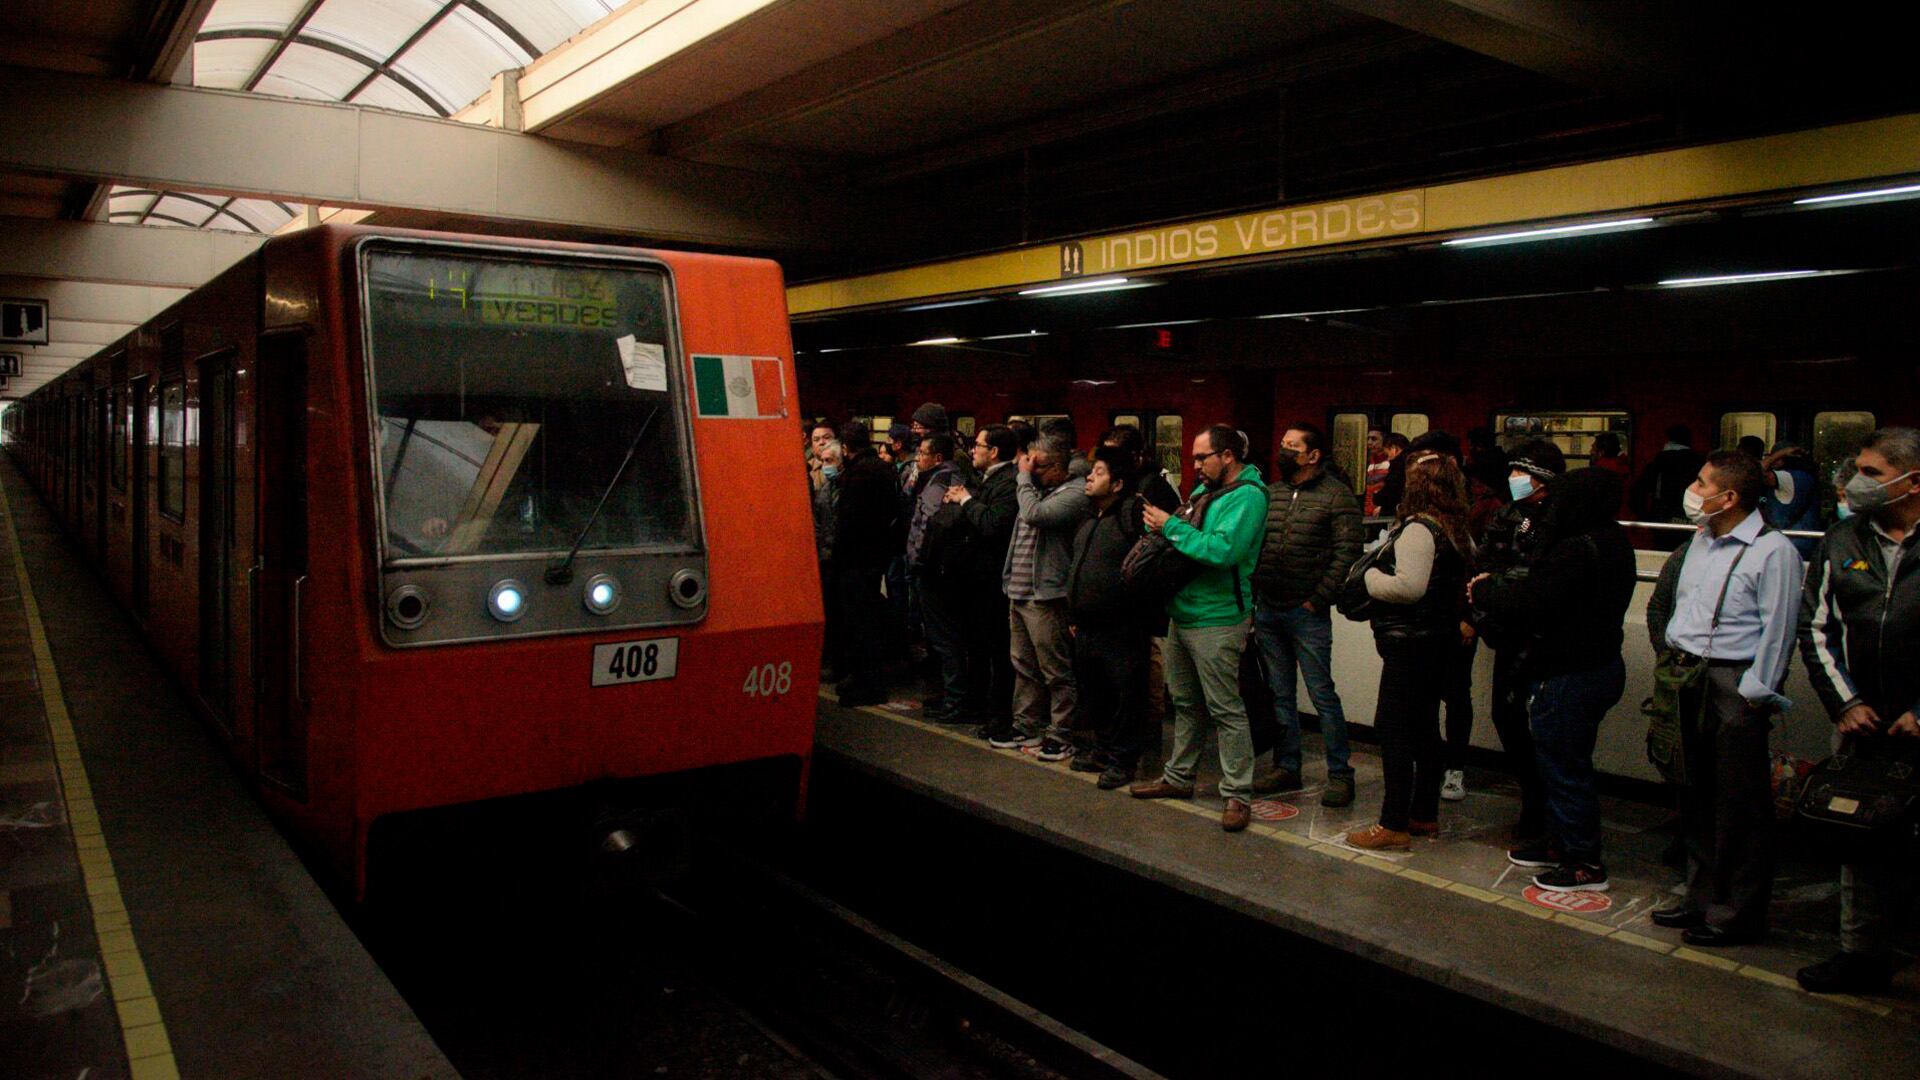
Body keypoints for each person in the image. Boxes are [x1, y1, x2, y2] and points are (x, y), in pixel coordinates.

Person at [1643, 450, 1803, 946]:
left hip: (1733, 683)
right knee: (1693, 793)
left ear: (1728, 497)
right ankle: (1699, 895)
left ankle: (1736, 912)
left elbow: (1779, 630)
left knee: (1739, 804)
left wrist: (1754, 694)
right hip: (1686, 676)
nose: (1693, 491)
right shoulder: (1699, 542)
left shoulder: (1772, 552)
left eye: (1701, 483)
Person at [1469, 468, 1636, 891]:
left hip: (1568, 670)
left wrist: (1486, 592)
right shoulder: (1614, 539)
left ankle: (1583, 861)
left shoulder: (1575, 548)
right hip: (1599, 665)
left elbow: (1537, 602)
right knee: (1564, 761)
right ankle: (1560, 842)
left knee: (1564, 767)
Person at [1795, 427, 1920, 993]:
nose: (1855, 483)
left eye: (1871, 473)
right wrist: (1845, 704)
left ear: (1912, 481)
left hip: (1917, 721)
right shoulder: (1842, 539)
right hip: (1862, 721)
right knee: (1859, 842)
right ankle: (1860, 954)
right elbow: (1815, 626)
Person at [1130, 425, 1270, 833]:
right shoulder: (1201, 492)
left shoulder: (1248, 497)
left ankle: (1237, 794)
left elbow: (1223, 550)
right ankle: (1178, 777)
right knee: (1187, 704)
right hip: (1184, 611)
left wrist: (1168, 527)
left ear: (1227, 456)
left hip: (1218, 616)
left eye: (1200, 457)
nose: (1194, 465)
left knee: (1225, 709)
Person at [1346, 451, 1473, 852]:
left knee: (1394, 729)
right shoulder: (1456, 529)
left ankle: (1393, 822)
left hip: (1411, 645)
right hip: (1440, 640)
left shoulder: (1420, 529)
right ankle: (1423, 814)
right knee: (1425, 731)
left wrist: (1368, 577)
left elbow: (1408, 587)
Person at [1249, 422, 1365, 808]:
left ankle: (1340, 774)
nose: (1283, 451)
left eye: (1292, 446)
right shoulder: (1273, 492)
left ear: (1313, 455)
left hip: (1306, 612)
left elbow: (1346, 554)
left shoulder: (1337, 497)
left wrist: (1317, 599)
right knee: (1280, 694)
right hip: (1269, 607)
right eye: (1282, 444)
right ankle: (1287, 765)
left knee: (1321, 694)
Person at [1470, 439, 1565, 840]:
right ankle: (1532, 795)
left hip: (1547, 641)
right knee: (1506, 716)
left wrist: (1501, 585)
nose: (1513, 480)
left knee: (1550, 728)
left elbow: (1539, 581)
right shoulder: (1508, 515)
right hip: (1508, 636)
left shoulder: (1561, 519)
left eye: (1520, 472)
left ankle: (1551, 811)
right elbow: (1484, 568)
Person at [989, 435, 1092, 759]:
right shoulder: (1036, 489)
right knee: (1024, 666)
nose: (1031, 472)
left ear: (1059, 467)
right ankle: (1027, 726)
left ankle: (1061, 733)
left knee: (1055, 669)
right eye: (1028, 464)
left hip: (1046, 595)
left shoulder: (1073, 492)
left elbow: (1036, 515)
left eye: (1038, 466)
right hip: (1019, 591)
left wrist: (1022, 477)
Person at [1066, 446, 1156, 788]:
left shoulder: (1132, 513)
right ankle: (1103, 749)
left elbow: (1150, 563)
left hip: (1122, 626)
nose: (1089, 477)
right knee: (1096, 693)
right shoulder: (1090, 517)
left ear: (1117, 483)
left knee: (1125, 696)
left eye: (1099, 472)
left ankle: (1124, 759)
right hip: (1086, 625)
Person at [946, 424, 1022, 737]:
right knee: (975, 645)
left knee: (996, 650)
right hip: (975, 579)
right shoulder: (985, 480)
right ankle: (974, 704)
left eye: (978, 445)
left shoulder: (1008, 483)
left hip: (993, 582)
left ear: (993, 452)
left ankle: (997, 715)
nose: (973, 449)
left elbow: (993, 525)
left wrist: (965, 502)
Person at [830, 421, 905, 707]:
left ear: (846, 448)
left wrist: (837, 558)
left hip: (855, 559)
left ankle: (867, 683)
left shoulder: (857, 475)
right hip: (878, 555)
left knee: (859, 623)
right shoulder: (885, 470)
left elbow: (848, 524)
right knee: (869, 618)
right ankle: (867, 678)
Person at [904, 435, 966, 721]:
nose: (918, 457)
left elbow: (926, 529)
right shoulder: (950, 477)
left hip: (933, 573)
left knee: (944, 639)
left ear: (937, 457)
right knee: (944, 639)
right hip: (942, 572)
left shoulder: (939, 483)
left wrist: (917, 562)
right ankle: (950, 696)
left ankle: (954, 700)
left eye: (923, 453)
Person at [1632, 424, 1704, 524]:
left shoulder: (1657, 463)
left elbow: (1638, 493)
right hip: (1691, 515)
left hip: (1662, 515)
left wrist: (1645, 517)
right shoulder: (1700, 464)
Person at [1759, 440, 1822, 555]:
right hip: (1806, 542)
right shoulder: (1807, 477)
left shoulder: (1786, 477)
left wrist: (1781, 453)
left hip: (1790, 542)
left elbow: (1756, 472)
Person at [1101, 424, 1180, 512]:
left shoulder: (1153, 488)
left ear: (1134, 456)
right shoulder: (1128, 481)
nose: (1107, 461)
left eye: (1112, 455)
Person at [1590, 432, 1631, 519]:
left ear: (1601, 452)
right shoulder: (1623, 465)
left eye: (1593, 448)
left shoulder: (1599, 470)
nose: (1590, 452)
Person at [1372, 432, 1411, 517]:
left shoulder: (1398, 465)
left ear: (1394, 449)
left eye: (1387, 454)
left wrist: (1376, 496)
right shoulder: (1412, 462)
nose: (1388, 458)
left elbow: (1391, 492)